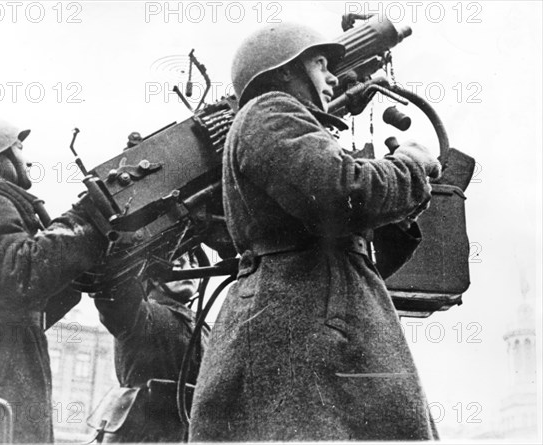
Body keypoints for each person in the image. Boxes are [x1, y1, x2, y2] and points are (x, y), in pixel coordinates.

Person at [189, 23, 441, 441]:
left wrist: (400, 196)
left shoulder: (286, 123)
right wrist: (410, 168)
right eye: (321, 65)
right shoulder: (270, 111)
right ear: (285, 70)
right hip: (304, 325)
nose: (332, 78)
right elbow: (340, 191)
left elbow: (358, 246)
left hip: (317, 317)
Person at [0, 117, 107, 443]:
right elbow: (21, 278)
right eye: (18, 147)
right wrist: (87, 218)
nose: (26, 157)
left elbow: (33, 302)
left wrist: (79, 265)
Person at [89, 252, 209, 443]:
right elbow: (116, 298)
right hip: (140, 434)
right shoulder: (141, 312)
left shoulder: (203, 327)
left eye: (194, 263)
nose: (189, 269)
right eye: (178, 263)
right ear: (153, 276)